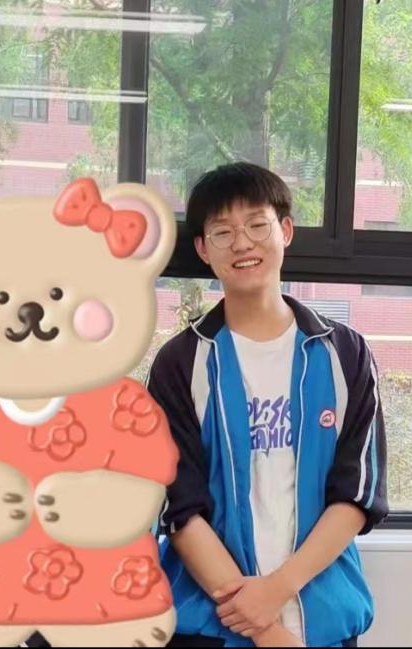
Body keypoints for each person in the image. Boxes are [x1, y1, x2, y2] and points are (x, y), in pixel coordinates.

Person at [147, 162, 389, 648]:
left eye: (257, 225)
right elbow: (179, 509)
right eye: (222, 232)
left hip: (323, 622)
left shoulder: (344, 353)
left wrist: (278, 589)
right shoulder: (180, 363)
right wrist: (266, 630)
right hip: (211, 627)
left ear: (285, 231)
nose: (242, 243)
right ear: (203, 249)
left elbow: (356, 493)